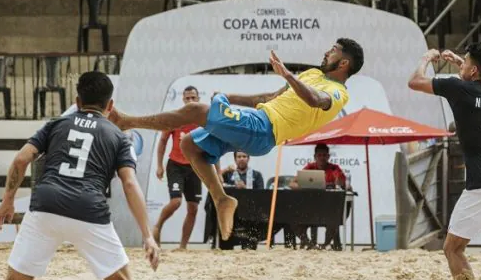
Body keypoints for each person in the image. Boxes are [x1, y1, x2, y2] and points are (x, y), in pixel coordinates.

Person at [108, 38, 364, 241]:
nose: (326, 53)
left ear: (343, 64)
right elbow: (268, 97)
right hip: (257, 120)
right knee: (189, 144)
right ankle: (222, 199)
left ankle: (127, 121)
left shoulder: (338, 92)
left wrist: (287, 74)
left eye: (333, 51)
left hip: (265, 130)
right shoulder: (311, 74)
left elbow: (315, 100)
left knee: (195, 111)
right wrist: (232, 96)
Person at [0, 71, 159, 280]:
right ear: (110, 105)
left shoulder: (55, 124)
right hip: (88, 209)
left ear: (77, 101)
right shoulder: (120, 137)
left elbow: (20, 160)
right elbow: (129, 183)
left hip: (46, 206)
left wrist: (7, 200)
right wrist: (148, 235)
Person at [408, 43, 481, 280]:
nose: (462, 65)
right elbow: (474, 81)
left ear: (474, 70)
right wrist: (460, 62)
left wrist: (426, 58)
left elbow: (414, 82)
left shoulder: (457, 88)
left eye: (466, 62)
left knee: (453, 249)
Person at [154, 86, 202, 250]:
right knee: (175, 202)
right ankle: (157, 227)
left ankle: (183, 246)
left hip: (195, 167)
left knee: (193, 208)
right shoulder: (175, 118)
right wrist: (159, 165)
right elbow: (162, 142)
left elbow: (211, 146)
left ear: (198, 99)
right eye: (187, 98)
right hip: (175, 165)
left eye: (193, 98)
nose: (190, 101)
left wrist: (217, 172)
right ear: (183, 100)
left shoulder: (204, 120)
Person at [289, 143, 350, 250]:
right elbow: (291, 184)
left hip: (328, 209)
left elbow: (345, 184)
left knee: (334, 221)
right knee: (293, 221)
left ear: (328, 156)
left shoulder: (334, 168)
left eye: (324, 155)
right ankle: (309, 244)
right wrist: (304, 187)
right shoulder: (310, 167)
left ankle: (324, 245)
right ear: (315, 157)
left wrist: (341, 182)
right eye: (319, 155)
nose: (322, 158)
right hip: (310, 208)